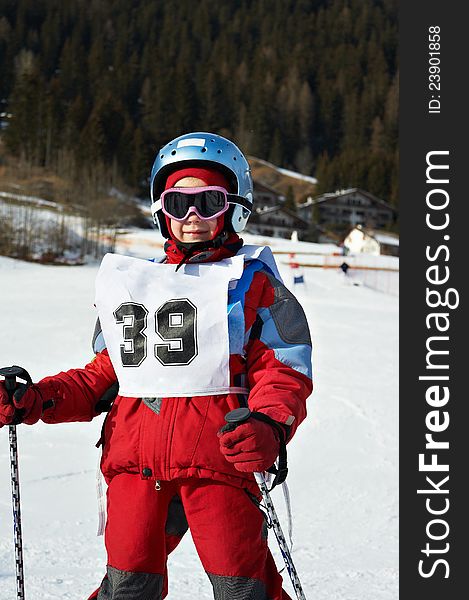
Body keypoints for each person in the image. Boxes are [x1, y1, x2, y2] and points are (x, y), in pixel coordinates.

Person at [0, 132, 313, 600]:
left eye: (208, 202)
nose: (191, 216)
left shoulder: (253, 284)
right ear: (160, 209)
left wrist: (269, 423)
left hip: (219, 462)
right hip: (135, 465)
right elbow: (104, 375)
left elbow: (282, 370)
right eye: (177, 202)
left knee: (243, 588)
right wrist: (37, 398)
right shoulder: (139, 286)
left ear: (234, 207)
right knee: (127, 586)